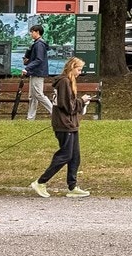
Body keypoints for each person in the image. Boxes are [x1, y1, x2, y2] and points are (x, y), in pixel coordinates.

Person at [31, 57, 91, 198]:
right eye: (78, 69)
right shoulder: (64, 82)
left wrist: (80, 103)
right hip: (64, 124)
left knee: (75, 156)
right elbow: (67, 106)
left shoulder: (68, 81)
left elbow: (68, 103)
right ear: (71, 67)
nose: (79, 73)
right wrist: (81, 101)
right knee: (65, 155)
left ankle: (72, 186)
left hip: (71, 124)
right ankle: (41, 182)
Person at [21, 25, 53, 121]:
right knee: (32, 96)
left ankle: (55, 112)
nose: (31, 34)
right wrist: (28, 61)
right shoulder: (36, 44)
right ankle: (30, 118)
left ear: (37, 32)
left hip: (38, 73)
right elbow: (36, 59)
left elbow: (39, 59)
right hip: (34, 72)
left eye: (32, 32)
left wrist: (27, 68)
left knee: (38, 94)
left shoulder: (39, 44)